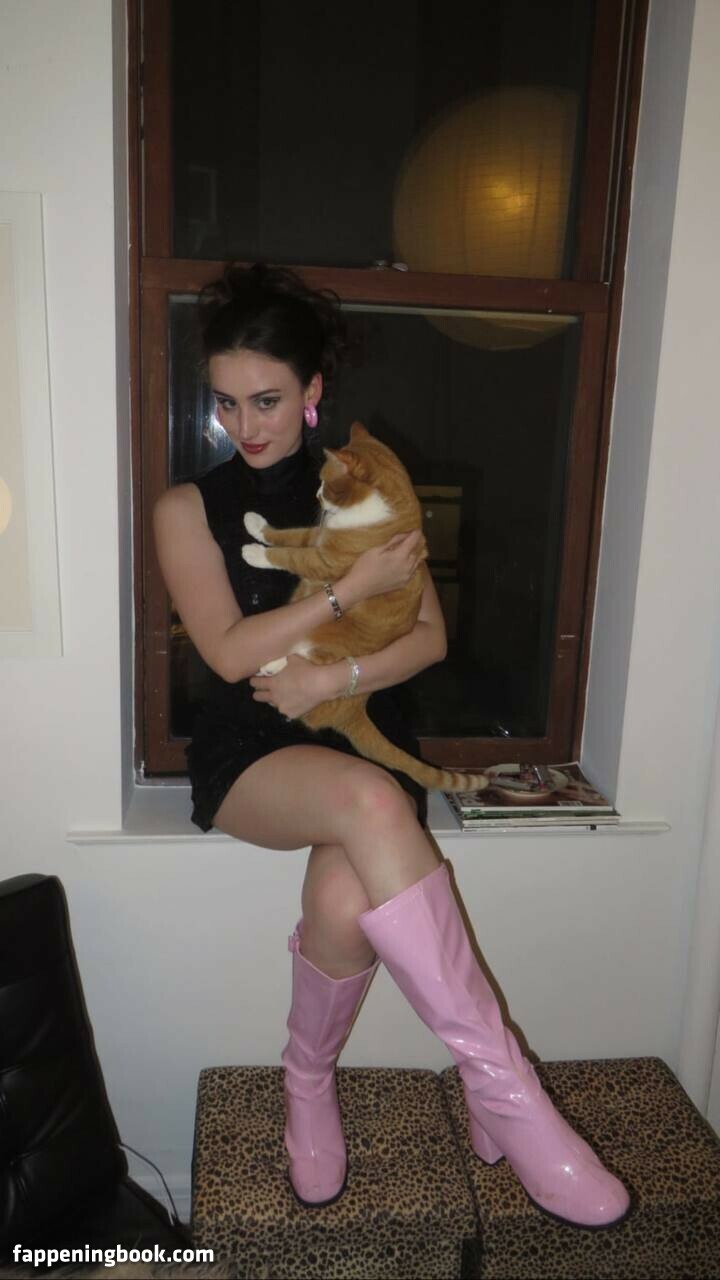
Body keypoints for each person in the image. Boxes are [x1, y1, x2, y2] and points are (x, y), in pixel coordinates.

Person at [153, 262, 630, 1229]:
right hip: (251, 752)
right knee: (371, 803)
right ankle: (509, 1092)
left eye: (267, 399)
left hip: (359, 726)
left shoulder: (369, 486)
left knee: (343, 898)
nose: (245, 425)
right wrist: (345, 591)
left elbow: (430, 640)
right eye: (228, 402)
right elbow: (230, 651)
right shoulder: (186, 508)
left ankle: (307, 1081)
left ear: (313, 390)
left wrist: (333, 678)